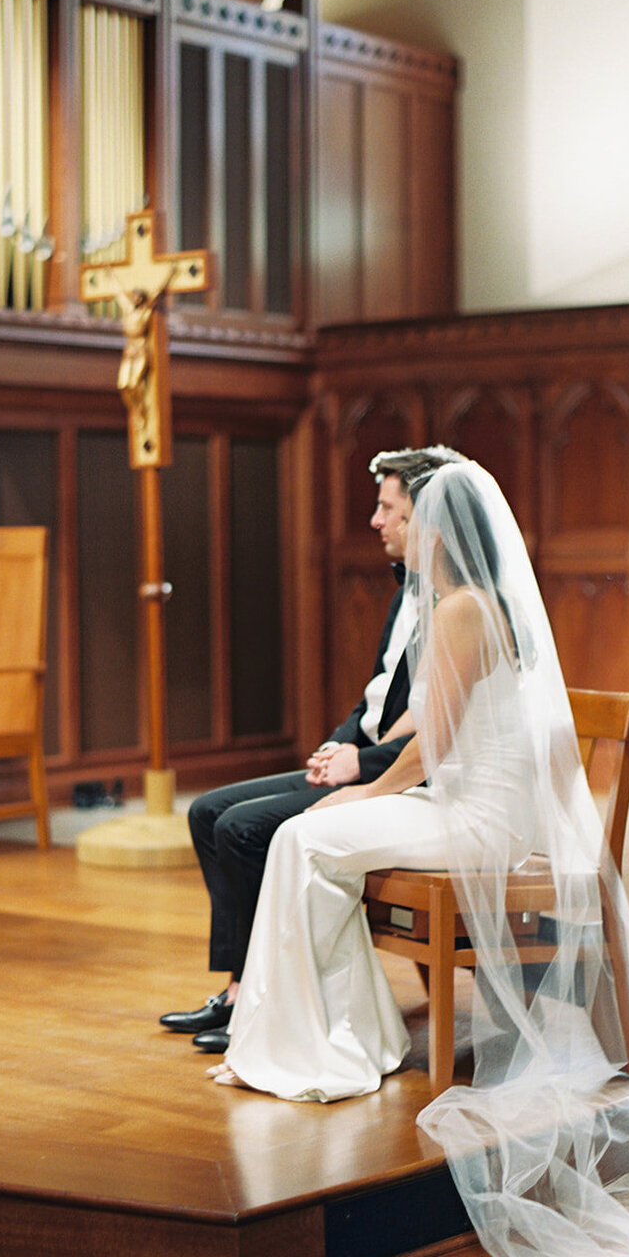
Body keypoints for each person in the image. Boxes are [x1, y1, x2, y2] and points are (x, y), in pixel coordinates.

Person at [207, 460, 629, 1257]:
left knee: (304, 842)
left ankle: (327, 1043)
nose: (396, 528)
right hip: (469, 807)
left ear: (438, 526)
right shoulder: (466, 599)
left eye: (405, 515)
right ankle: (350, 1033)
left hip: (476, 822)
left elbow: (439, 745)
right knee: (311, 848)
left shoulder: (460, 610)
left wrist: (358, 796)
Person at [158, 445, 464, 1055]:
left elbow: (442, 729)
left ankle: (267, 1000)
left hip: (410, 780)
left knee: (244, 828)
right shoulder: (408, 590)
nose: (375, 522)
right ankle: (240, 983)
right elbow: (378, 698)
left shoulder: (456, 606)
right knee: (205, 812)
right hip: (371, 758)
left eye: (387, 508)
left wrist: (363, 766)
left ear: (423, 518)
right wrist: (340, 741)